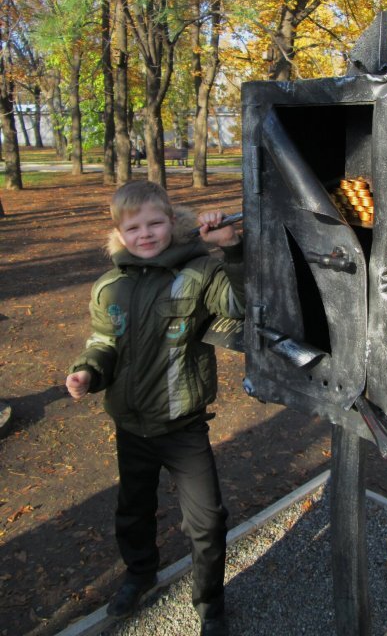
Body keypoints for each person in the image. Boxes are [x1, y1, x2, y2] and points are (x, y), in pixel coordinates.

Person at [66, 180, 243, 636]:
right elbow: (103, 341)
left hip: (183, 429)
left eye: (155, 223)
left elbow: (242, 305)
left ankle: (210, 603)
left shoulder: (201, 271)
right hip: (130, 426)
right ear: (119, 233)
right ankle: (139, 573)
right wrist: (89, 371)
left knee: (206, 521)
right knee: (133, 509)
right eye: (134, 227)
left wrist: (233, 252)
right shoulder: (110, 287)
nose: (145, 234)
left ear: (172, 221)